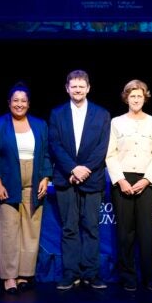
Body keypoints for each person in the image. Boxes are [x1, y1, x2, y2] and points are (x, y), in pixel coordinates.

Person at [0, 83, 52, 294]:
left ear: (29, 103)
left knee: (31, 230)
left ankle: (24, 274)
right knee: (8, 230)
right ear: (9, 103)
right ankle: (9, 277)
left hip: (34, 180)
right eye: (15, 100)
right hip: (8, 181)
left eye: (23, 101)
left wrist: (46, 178)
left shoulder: (40, 125)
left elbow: (47, 154)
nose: (19, 104)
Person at [49, 70, 111, 290]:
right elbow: (55, 145)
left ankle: (91, 273)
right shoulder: (57, 114)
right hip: (66, 179)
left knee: (92, 228)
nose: (77, 90)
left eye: (81, 86)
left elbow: (102, 147)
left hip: (92, 179)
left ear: (88, 88)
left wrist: (85, 169)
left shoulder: (102, 114)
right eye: (73, 86)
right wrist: (73, 169)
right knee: (69, 228)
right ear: (67, 88)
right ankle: (70, 273)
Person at [105, 79, 152, 291]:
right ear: (126, 98)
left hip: (147, 181)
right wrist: (120, 180)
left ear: (145, 98)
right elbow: (110, 154)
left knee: (147, 232)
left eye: (139, 96)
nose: (136, 99)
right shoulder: (116, 122)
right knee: (125, 232)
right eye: (132, 96)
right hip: (122, 180)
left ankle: (149, 275)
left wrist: (146, 180)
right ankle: (128, 275)